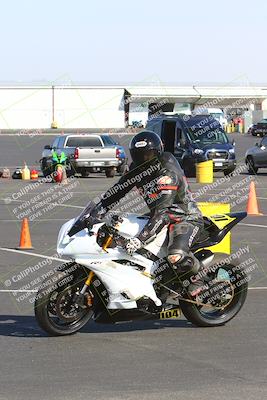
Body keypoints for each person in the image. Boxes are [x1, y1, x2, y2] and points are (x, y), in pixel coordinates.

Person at [88, 130, 205, 296]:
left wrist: (140, 239)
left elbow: (163, 212)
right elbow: (118, 191)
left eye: (148, 155)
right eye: (139, 155)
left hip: (183, 218)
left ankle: (199, 277)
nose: (144, 159)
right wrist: (97, 210)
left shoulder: (167, 173)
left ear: (157, 152)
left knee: (175, 256)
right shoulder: (137, 169)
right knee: (120, 232)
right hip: (158, 215)